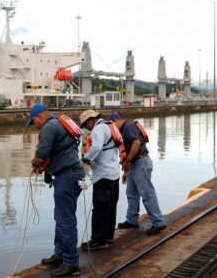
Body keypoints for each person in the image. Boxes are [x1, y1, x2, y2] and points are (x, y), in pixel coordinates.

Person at [27, 104, 84, 277]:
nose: (34, 126)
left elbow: (43, 151)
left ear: (39, 117)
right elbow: (57, 153)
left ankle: (71, 264)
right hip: (72, 175)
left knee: (65, 220)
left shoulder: (49, 127)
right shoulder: (59, 124)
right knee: (61, 217)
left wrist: (35, 163)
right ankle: (60, 254)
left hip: (67, 177)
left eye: (33, 122)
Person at [108, 112, 167, 236]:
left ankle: (158, 223)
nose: (111, 129)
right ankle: (132, 220)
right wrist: (126, 171)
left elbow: (136, 143)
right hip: (133, 165)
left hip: (140, 162)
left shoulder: (128, 127)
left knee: (147, 193)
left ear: (117, 121)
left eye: (112, 125)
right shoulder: (121, 131)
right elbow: (126, 150)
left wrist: (128, 161)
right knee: (131, 194)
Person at [79, 110, 121, 250]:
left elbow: (96, 147)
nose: (87, 128)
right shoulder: (110, 126)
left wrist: (86, 158)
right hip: (114, 173)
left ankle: (98, 240)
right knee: (111, 206)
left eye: (86, 124)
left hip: (103, 175)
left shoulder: (98, 129)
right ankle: (109, 236)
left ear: (91, 120)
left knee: (100, 208)